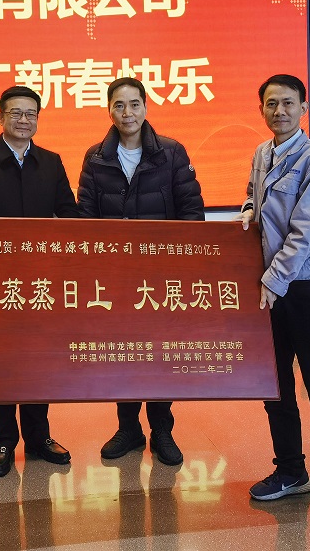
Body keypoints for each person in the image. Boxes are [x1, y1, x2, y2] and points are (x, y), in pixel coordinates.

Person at [236, 73, 310, 526]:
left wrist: (273, 280)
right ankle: (291, 471)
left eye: (288, 103)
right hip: (271, 289)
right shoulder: (262, 153)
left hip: (302, 289)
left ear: (303, 108)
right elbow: (254, 195)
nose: (279, 111)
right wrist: (249, 209)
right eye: (271, 103)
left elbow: (305, 234)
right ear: (261, 109)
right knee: (276, 386)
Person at [77, 77, 204, 466]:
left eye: (134, 104)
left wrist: (182, 266)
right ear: (109, 110)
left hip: (162, 276)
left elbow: (191, 210)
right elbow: (85, 218)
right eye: (119, 105)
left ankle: (162, 430)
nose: (127, 112)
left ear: (146, 108)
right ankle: (128, 429)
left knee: (162, 352)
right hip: (115, 277)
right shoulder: (96, 157)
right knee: (122, 352)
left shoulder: (171, 152)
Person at [0, 85, 79, 478]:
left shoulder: (51, 162)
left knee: (39, 358)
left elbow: (69, 214)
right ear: (1, 117)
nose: (23, 120)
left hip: (42, 280)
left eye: (31, 114)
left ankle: (39, 438)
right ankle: (3, 441)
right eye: (15, 113)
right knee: (1, 360)